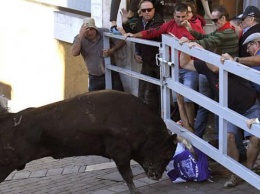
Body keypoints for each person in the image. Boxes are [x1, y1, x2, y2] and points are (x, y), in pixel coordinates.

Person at [179, 40, 260, 188]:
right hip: (229, 109)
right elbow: (184, 64)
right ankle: (236, 174)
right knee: (229, 137)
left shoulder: (226, 61)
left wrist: (201, 51)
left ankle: (248, 170)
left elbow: (216, 68)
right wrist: (185, 46)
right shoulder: (205, 65)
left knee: (255, 138)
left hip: (250, 106)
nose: (219, 57)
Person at [124, 3, 198, 131]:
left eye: (183, 17)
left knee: (188, 99)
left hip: (189, 68)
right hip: (175, 66)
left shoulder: (193, 26)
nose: (181, 20)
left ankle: (190, 127)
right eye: (178, 17)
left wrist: (190, 31)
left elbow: (203, 38)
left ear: (188, 15)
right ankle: (185, 126)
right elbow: (152, 32)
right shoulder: (169, 25)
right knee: (177, 99)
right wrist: (134, 35)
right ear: (173, 15)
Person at [120, 0, 164, 114]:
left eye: (149, 10)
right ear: (140, 12)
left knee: (155, 93)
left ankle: (156, 118)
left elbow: (149, 34)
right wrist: (125, 23)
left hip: (158, 63)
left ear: (154, 10)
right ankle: (145, 117)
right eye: (144, 10)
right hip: (147, 62)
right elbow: (135, 35)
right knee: (143, 91)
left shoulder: (159, 22)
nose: (146, 12)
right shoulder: (141, 21)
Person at [71, 17, 125, 92]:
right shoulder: (79, 38)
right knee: (94, 101)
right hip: (95, 77)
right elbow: (74, 53)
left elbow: (122, 41)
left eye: (92, 29)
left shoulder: (104, 32)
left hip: (111, 73)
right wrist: (80, 35)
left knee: (118, 98)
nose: (89, 32)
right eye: (87, 30)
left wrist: (112, 50)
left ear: (95, 28)